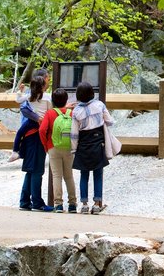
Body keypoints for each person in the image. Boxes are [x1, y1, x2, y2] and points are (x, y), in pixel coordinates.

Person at [12, 75, 53, 212]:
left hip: (29, 134)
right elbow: (51, 112)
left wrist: (19, 91)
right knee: (37, 170)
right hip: (37, 135)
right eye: (47, 80)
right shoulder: (46, 97)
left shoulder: (29, 97)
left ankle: (24, 201)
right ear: (42, 85)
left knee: (30, 170)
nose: (48, 82)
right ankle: (37, 202)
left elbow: (19, 101)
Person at [71, 81, 112, 214]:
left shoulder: (76, 111)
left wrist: (73, 149)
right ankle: (96, 204)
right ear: (91, 93)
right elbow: (110, 121)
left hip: (83, 143)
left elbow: (74, 133)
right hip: (97, 141)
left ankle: (84, 204)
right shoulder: (99, 105)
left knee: (84, 174)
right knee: (98, 174)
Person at [39, 88, 78, 213]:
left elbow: (42, 130)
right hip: (68, 147)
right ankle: (72, 204)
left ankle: (58, 204)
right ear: (66, 100)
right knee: (69, 176)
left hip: (53, 147)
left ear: (53, 101)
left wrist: (46, 145)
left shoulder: (50, 113)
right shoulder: (71, 113)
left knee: (57, 176)